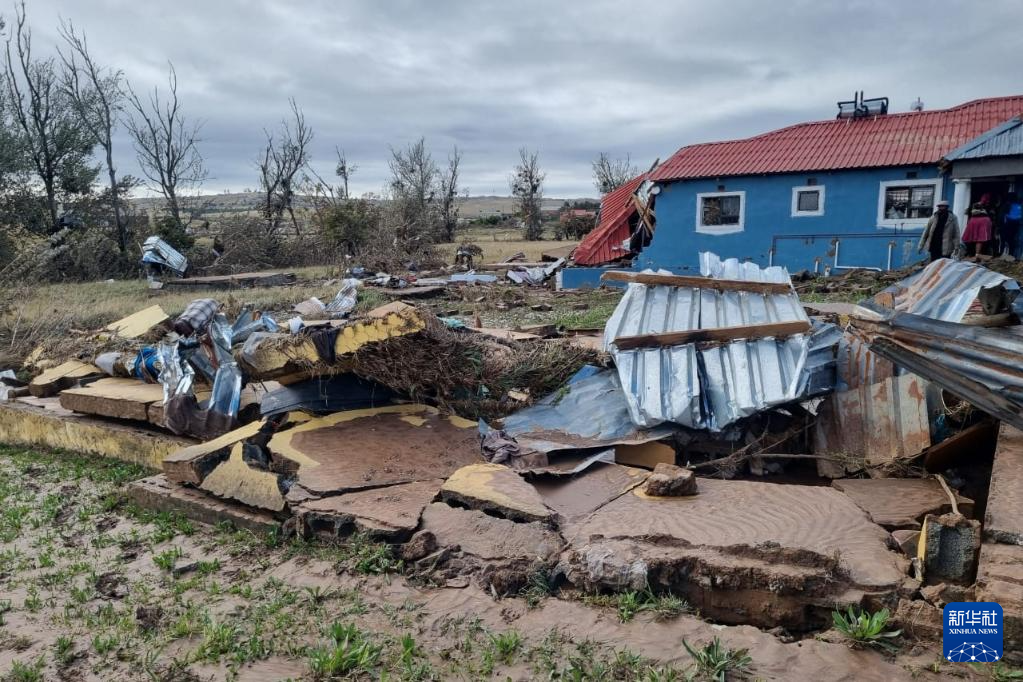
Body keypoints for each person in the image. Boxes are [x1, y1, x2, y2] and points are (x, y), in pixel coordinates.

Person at [1001, 193, 1022, 258]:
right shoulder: (1018, 206)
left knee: (1004, 241)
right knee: (1011, 241)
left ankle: (1002, 254)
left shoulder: (1007, 205)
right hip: (1015, 226)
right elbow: (1019, 216)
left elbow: (1002, 216)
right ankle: (1010, 255)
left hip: (1007, 225)